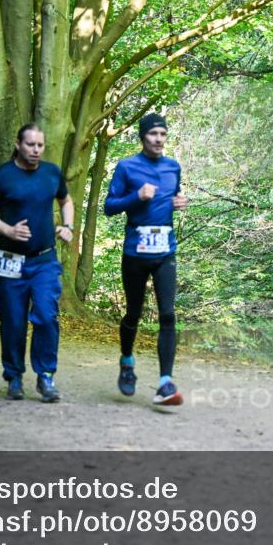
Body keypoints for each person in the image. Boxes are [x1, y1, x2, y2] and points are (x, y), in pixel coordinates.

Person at [0, 123, 74, 402]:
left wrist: (68, 225)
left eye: (40, 145)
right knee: (13, 322)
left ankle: (46, 376)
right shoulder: (2, 176)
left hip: (44, 259)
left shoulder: (52, 173)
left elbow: (66, 201)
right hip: (9, 260)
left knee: (46, 315)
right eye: (30, 144)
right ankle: (14, 377)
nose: (36, 150)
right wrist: (7, 230)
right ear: (18, 145)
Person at [104, 113, 189, 406]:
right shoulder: (127, 167)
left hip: (165, 251)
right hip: (136, 252)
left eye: (163, 134)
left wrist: (179, 202)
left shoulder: (173, 167)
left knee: (168, 314)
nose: (158, 139)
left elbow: (172, 197)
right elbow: (109, 207)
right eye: (153, 134)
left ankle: (165, 383)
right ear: (143, 137)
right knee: (133, 313)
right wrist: (136, 197)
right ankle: (127, 362)